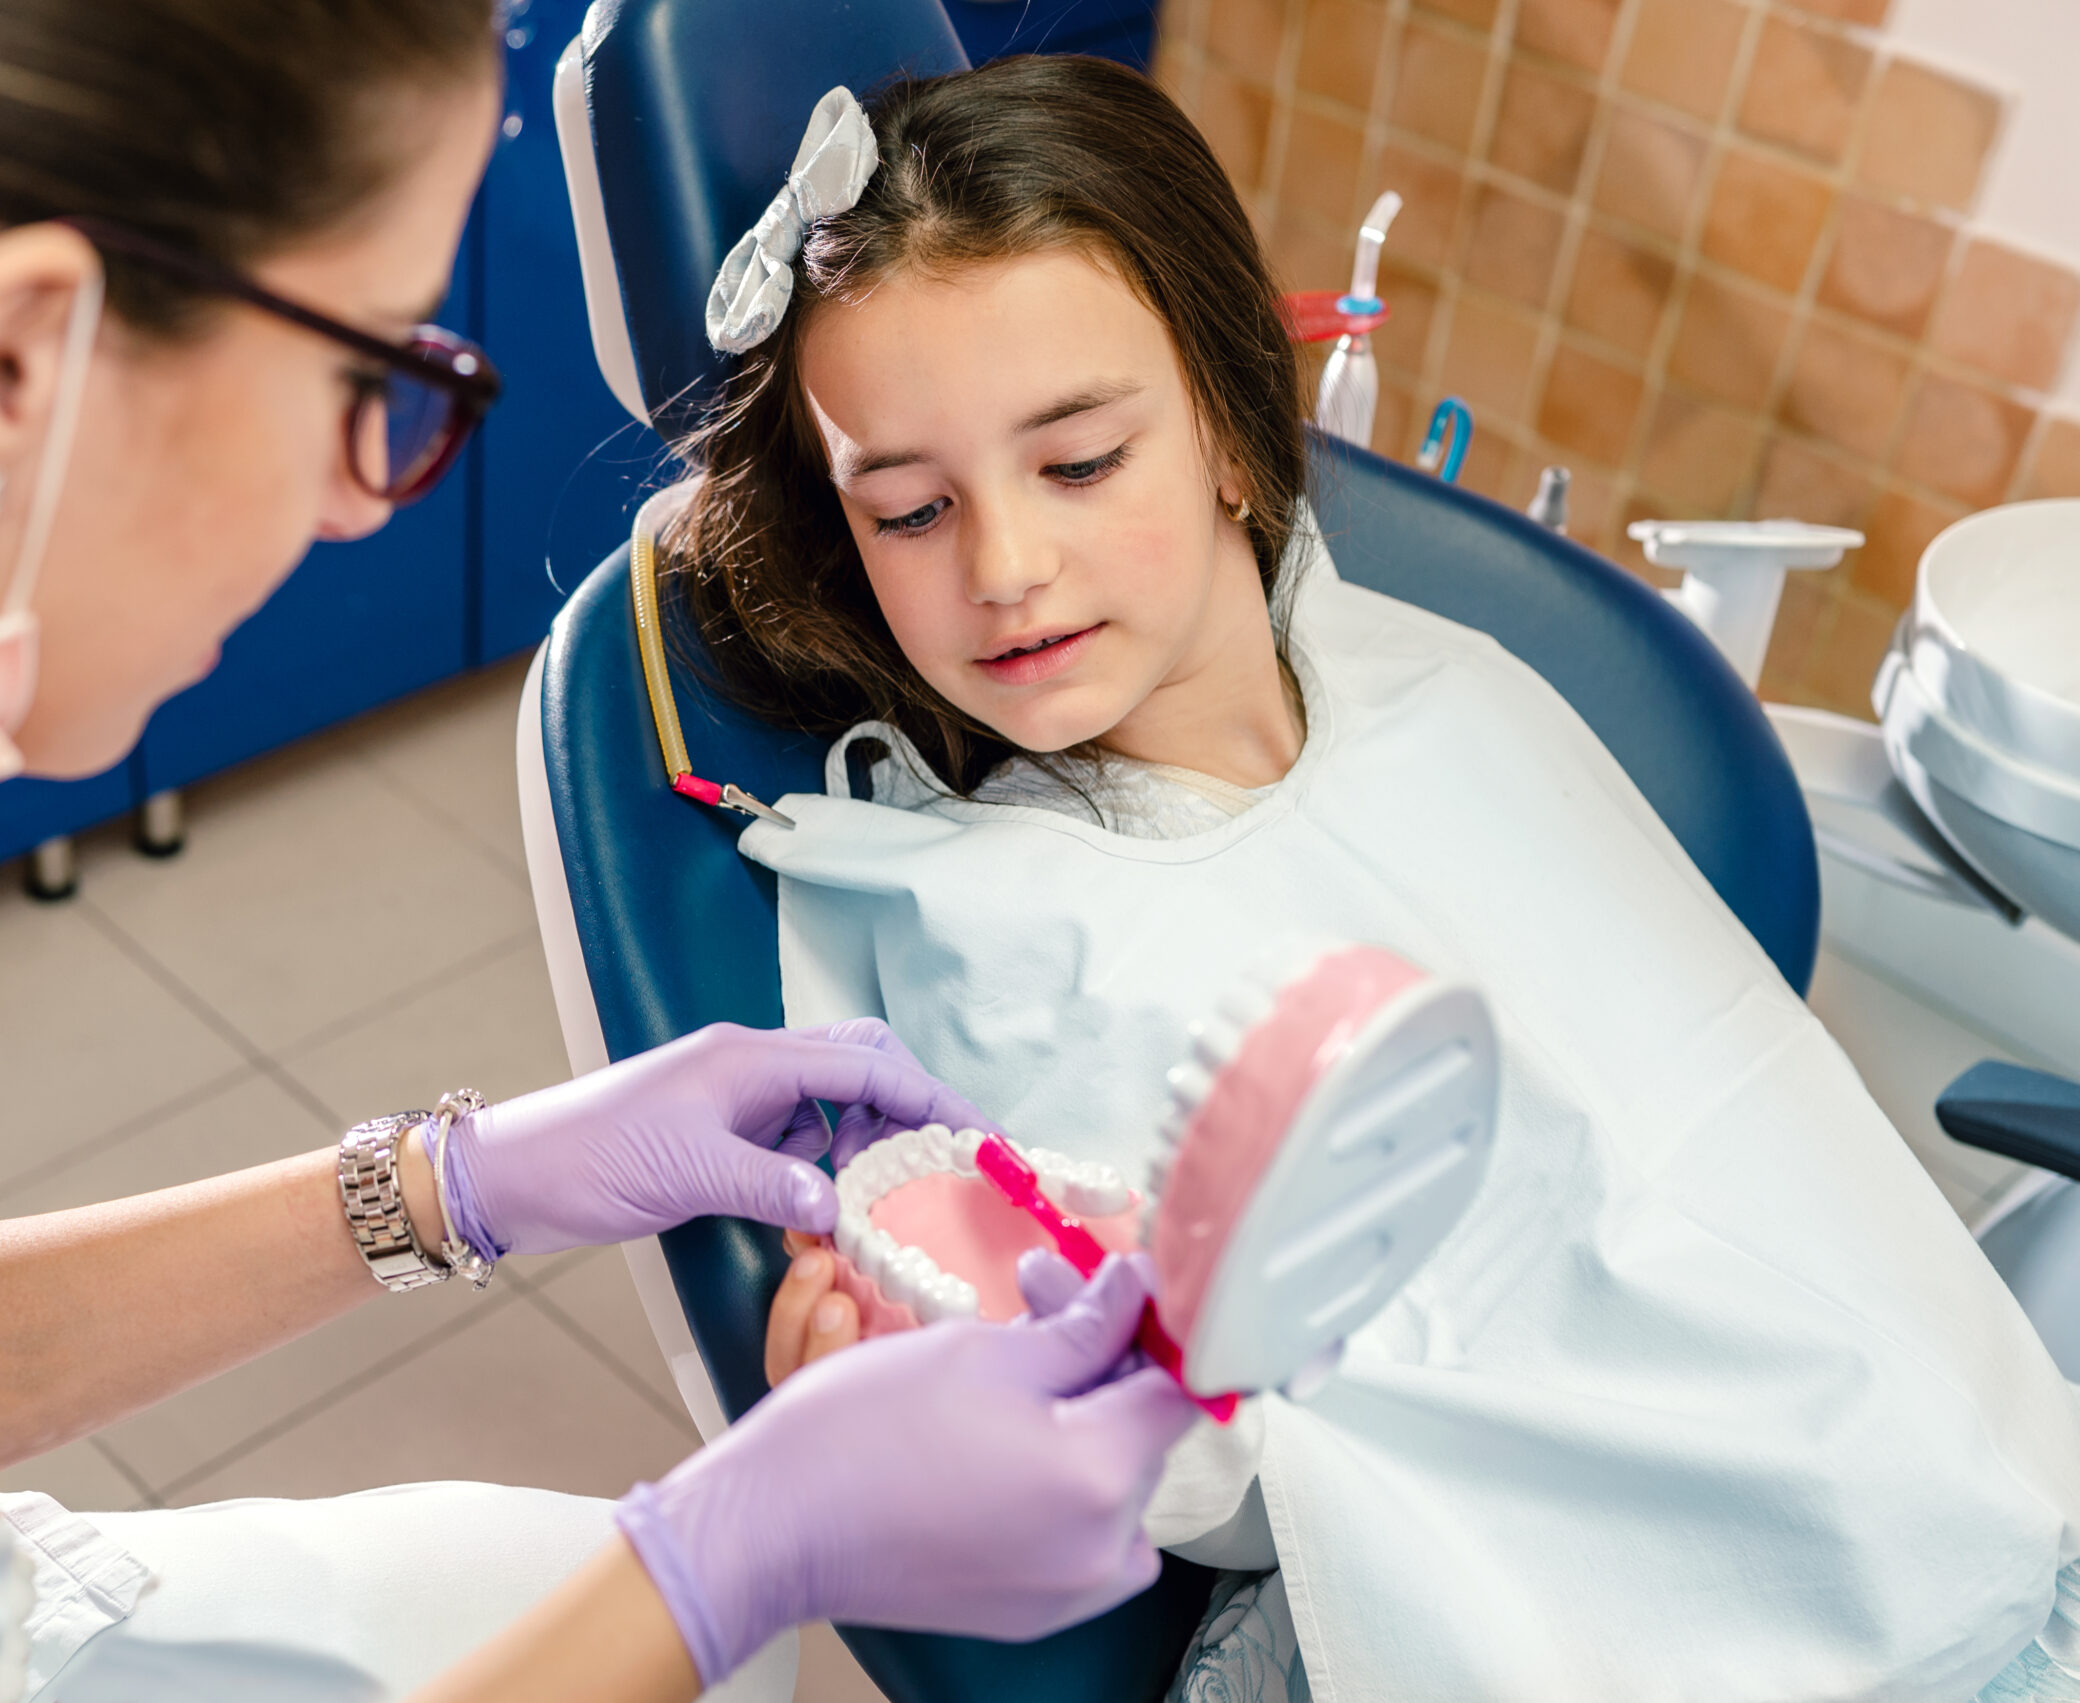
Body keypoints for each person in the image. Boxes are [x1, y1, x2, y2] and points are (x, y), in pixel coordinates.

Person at [0, 5, 1205, 1700]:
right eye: (373, 369)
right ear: (7, 367)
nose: (357, 499)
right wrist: (734, 1558)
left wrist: (434, 1188)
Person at [657, 53, 2080, 1703]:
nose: (1006, 566)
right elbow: (1194, 1466)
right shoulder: (988, 931)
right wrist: (962, 1358)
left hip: (1962, 1496)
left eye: (1080, 463)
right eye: (910, 511)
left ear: (1234, 437)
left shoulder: (1437, 682)